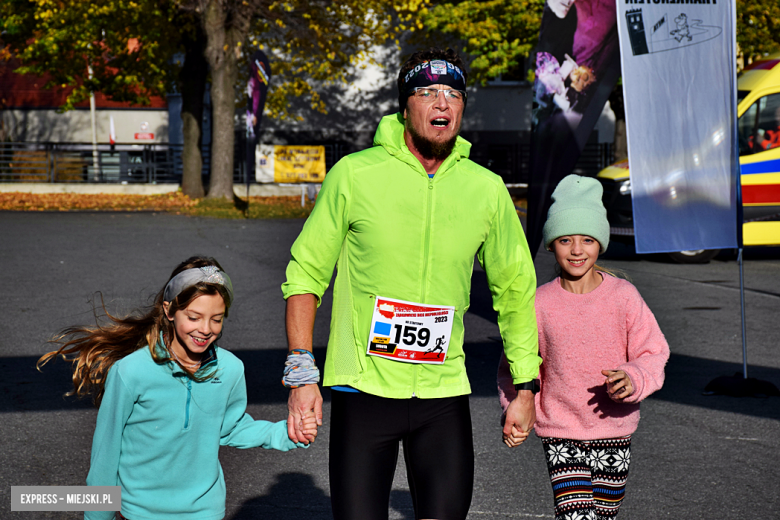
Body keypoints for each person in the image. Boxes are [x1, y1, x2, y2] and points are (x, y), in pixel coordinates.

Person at [281, 47, 540, 520]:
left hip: (442, 397)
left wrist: (525, 388)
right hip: (364, 391)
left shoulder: (486, 189)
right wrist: (302, 371)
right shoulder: (355, 176)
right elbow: (306, 273)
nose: (442, 103)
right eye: (427, 92)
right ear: (405, 106)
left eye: (453, 94)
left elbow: (516, 288)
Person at [38, 256, 316, 520]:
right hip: (140, 512)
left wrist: (286, 433)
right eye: (194, 317)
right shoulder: (130, 371)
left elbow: (231, 427)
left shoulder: (231, 369)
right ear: (169, 310)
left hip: (205, 512)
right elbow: (106, 453)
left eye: (216, 319)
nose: (205, 329)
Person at [497, 175, 670, 520]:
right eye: (565, 240)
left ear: (600, 243)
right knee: (576, 517)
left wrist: (633, 377)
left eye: (587, 240)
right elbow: (515, 366)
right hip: (560, 431)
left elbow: (653, 352)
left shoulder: (623, 296)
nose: (577, 250)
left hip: (614, 429)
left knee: (604, 515)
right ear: (551, 245)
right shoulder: (538, 303)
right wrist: (513, 409)